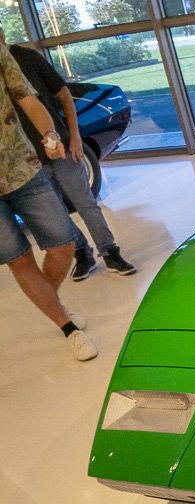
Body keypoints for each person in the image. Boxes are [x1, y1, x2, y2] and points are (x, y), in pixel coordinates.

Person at [1, 26, 136, 282]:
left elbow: (63, 94)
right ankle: (83, 254)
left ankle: (110, 253)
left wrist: (74, 137)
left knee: (85, 203)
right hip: (28, 162)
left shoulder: (27, 58)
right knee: (58, 214)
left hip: (60, 149)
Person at [0, 39, 97, 360]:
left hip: (22, 166)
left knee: (63, 244)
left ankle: (50, 303)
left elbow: (26, 97)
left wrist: (50, 134)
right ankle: (67, 326)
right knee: (18, 258)